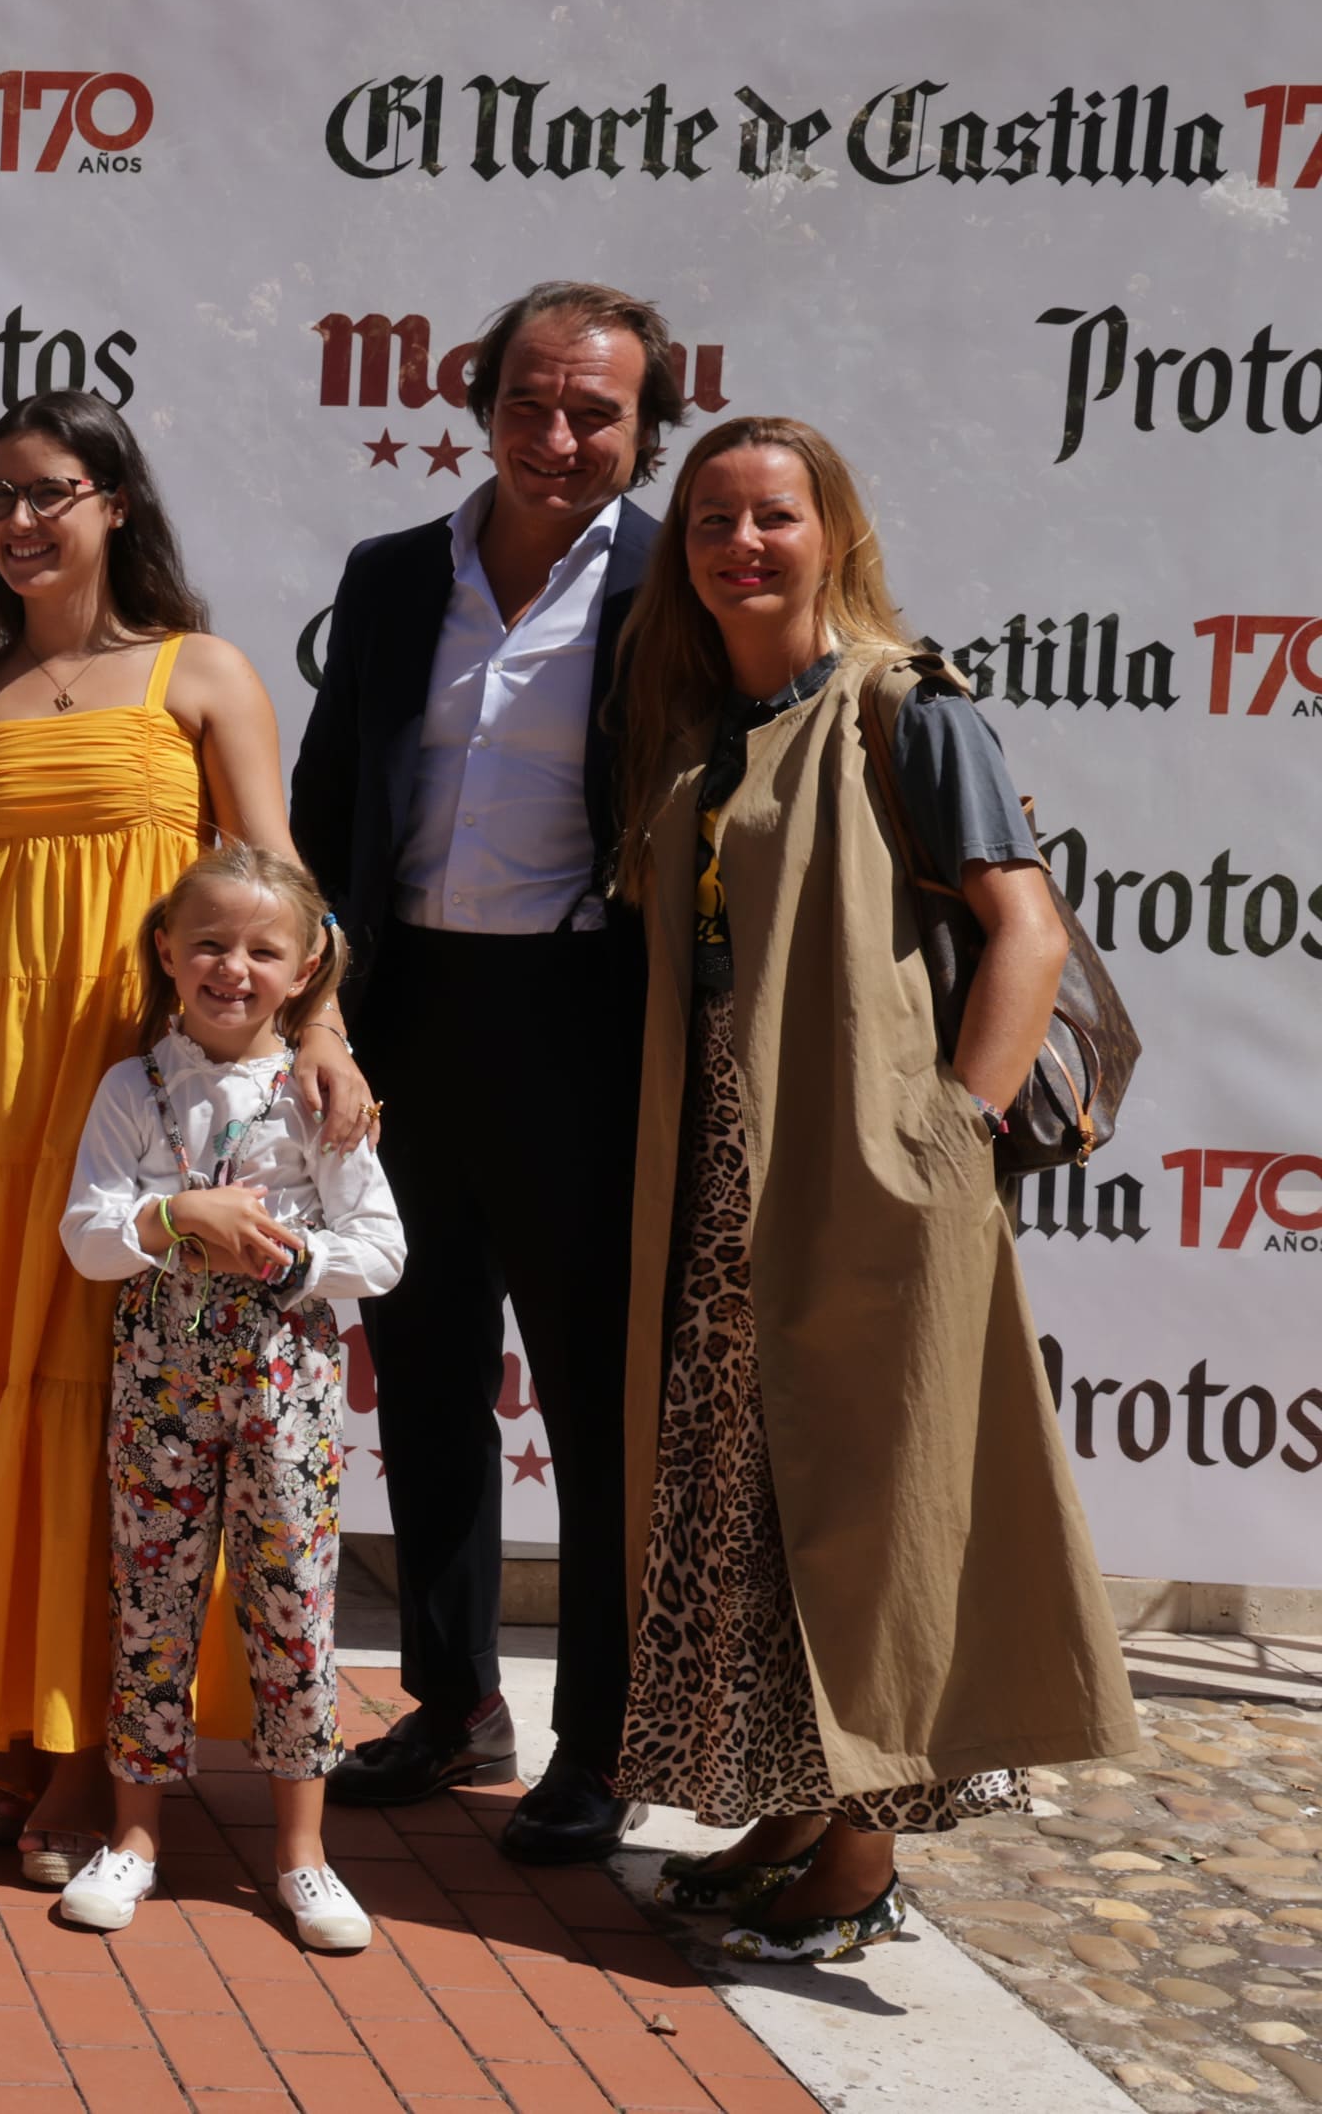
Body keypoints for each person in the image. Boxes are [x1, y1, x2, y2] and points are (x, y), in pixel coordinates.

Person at [604, 415, 1135, 1966]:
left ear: (832, 531)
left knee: (891, 1505)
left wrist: (948, 1141)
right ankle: (793, 1808)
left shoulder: (904, 706)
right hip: (732, 1177)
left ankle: (864, 1862)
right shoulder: (717, 721)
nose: (739, 545)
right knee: (763, 1503)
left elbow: (1024, 929)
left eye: (772, 515)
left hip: (876, 1177)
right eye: (710, 519)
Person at [0, 392, 363, 1887]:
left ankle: (84, 1742)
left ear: (115, 502)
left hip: (133, 1090)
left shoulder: (206, 676)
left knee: (99, 1413)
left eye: (49, 490)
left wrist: (323, 1033)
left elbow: (282, 889)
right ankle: (5, 1711)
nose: (18, 520)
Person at [291, 281, 675, 1864]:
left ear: (648, 429)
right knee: (428, 1382)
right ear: (480, 400)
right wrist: (313, 1012)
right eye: (531, 400)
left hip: (586, 1024)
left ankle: (602, 1744)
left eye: (595, 410)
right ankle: (455, 1707)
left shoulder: (676, 584)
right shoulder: (392, 582)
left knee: (591, 1406)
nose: (559, 436)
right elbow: (324, 819)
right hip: (403, 1022)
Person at [50, 844, 403, 1955]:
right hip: (161, 1386)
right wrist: (176, 1219)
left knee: (292, 1602)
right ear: (165, 950)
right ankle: (135, 1836)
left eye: (262, 949)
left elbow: (382, 1248)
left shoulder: (319, 1096)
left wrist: (295, 1257)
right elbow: (88, 1236)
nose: (231, 969)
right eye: (207, 943)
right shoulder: (132, 1086)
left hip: (284, 1390)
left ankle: (302, 1853)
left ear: (304, 971)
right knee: (149, 1598)